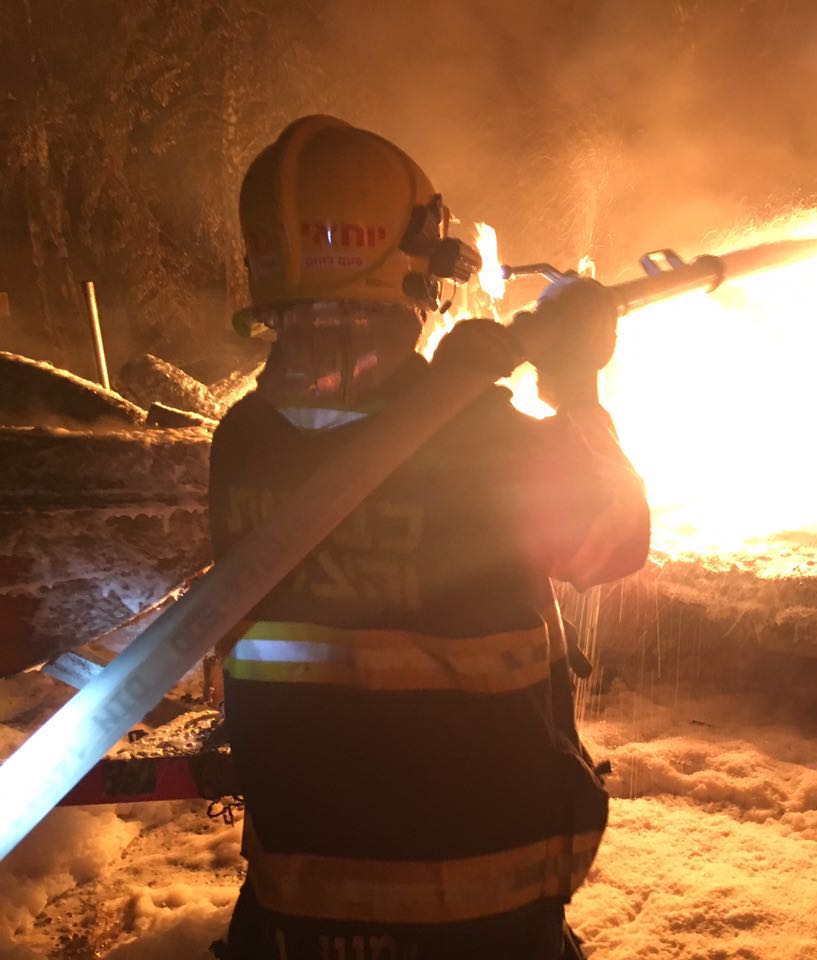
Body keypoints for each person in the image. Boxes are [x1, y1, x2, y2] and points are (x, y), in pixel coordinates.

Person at [209, 115, 650, 959]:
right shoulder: (487, 441)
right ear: (414, 261)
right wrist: (576, 384)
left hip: (296, 912)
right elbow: (615, 541)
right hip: (484, 913)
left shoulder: (242, 444)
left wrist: (458, 380)